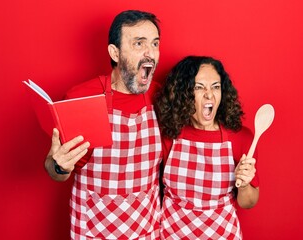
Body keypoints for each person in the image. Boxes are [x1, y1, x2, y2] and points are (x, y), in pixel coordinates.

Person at [44, 10, 163, 239]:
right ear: (115, 52)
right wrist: (59, 165)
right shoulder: (82, 97)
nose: (150, 54)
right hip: (94, 231)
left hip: (146, 231)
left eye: (155, 43)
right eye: (139, 44)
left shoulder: (162, 97)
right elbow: (55, 170)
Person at [155, 56, 260, 239]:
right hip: (172, 234)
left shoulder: (241, 138)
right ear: (183, 93)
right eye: (199, 87)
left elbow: (249, 203)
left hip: (223, 234)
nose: (209, 94)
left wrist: (244, 186)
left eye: (216, 87)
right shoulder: (168, 135)